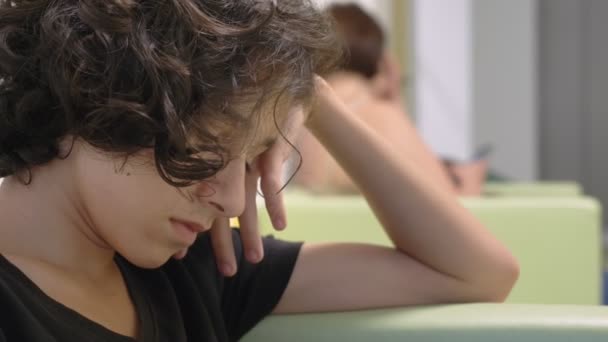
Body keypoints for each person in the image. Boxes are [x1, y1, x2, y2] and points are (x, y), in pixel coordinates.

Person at [0, 1, 519, 341]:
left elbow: (478, 274)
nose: (231, 201)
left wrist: (312, 98)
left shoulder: (193, 268)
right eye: (206, 150)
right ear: (96, 99)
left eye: (249, 161)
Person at [294, 3, 485, 195]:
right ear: (382, 61)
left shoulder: (302, 121)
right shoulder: (383, 118)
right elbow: (446, 209)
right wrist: (470, 185)